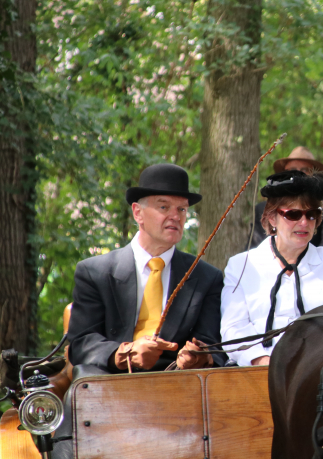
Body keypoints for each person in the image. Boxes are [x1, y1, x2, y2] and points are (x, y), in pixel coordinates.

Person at [55, 164, 224, 459]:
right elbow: (81, 344)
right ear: (138, 213)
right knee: (81, 393)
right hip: (107, 380)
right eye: (164, 206)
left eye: (182, 210)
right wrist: (126, 353)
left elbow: (213, 344)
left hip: (176, 386)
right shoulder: (95, 271)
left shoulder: (205, 277)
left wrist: (200, 356)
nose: (176, 216)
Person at [221, 170, 323, 367]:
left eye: (312, 214)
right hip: (256, 375)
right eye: (293, 214)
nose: (304, 222)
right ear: (272, 218)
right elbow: (233, 327)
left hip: (322, 376)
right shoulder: (241, 265)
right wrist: (262, 361)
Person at [249, 146, 323, 252]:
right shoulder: (262, 209)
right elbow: (253, 249)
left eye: (305, 170)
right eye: (292, 170)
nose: (298, 174)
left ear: (314, 176)